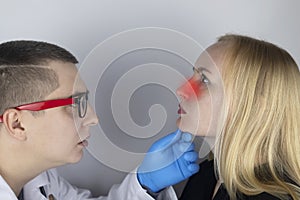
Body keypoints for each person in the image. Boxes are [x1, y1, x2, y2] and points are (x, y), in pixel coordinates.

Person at [0, 40, 199, 200]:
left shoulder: (42, 180)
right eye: (74, 105)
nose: (93, 118)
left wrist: (145, 183)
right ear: (17, 124)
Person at [176, 34, 300, 199]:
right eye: (194, 75)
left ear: (256, 108)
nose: (182, 91)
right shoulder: (206, 177)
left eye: (204, 80)